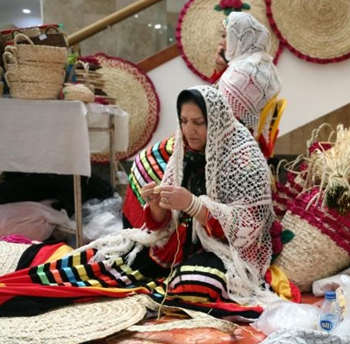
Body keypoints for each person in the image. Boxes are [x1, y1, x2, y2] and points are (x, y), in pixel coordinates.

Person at [0, 86, 279, 318]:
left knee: (197, 283)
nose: (188, 131)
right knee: (104, 260)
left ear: (216, 121)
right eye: (183, 121)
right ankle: (24, 290)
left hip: (226, 253)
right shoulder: (183, 154)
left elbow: (249, 227)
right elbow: (160, 228)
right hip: (175, 248)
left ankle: (141, 296)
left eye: (198, 123)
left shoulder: (243, 159)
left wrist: (193, 205)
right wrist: (157, 206)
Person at [124, 11, 281, 228]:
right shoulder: (257, 65)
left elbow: (217, 115)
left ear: (240, 39)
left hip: (226, 141)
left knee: (147, 161)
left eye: (226, 36)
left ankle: (151, 221)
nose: (222, 42)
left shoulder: (243, 74)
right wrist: (221, 68)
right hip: (237, 135)